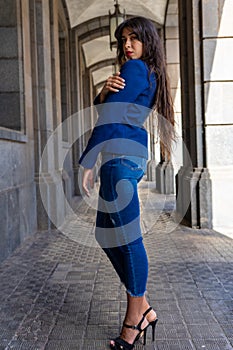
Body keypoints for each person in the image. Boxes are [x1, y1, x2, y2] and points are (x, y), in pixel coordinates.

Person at [79, 16, 175, 350]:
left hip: (119, 159)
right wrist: (103, 91)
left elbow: (110, 116)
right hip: (125, 157)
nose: (127, 45)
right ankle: (143, 306)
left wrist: (88, 160)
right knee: (104, 234)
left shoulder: (135, 69)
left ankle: (134, 317)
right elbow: (111, 108)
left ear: (148, 40)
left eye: (134, 38)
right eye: (123, 40)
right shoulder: (144, 72)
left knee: (128, 238)